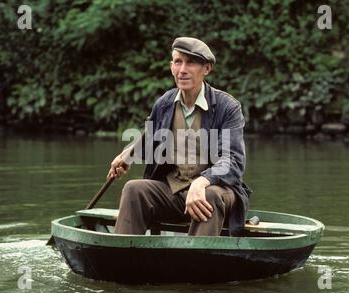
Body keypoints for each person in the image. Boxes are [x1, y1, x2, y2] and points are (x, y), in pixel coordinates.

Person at [107, 37, 251, 236]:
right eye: (177, 62)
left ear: (207, 69)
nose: (182, 69)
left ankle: (196, 263)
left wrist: (202, 182)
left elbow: (232, 161)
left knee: (208, 195)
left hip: (216, 192)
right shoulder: (164, 103)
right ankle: (123, 259)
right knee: (134, 189)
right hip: (174, 192)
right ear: (171, 66)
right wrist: (127, 156)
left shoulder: (228, 107)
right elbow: (150, 138)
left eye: (190, 62)